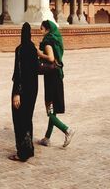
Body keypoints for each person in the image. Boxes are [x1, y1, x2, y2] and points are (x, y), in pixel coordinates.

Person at [36, 20, 76, 148]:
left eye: (41, 28)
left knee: (50, 108)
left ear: (46, 29)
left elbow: (51, 58)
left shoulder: (48, 42)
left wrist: (39, 53)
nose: (40, 30)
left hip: (51, 78)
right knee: (53, 111)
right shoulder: (56, 40)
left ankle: (67, 130)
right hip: (56, 76)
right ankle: (47, 138)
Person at [10, 22, 39, 161]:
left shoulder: (20, 49)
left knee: (19, 120)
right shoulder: (33, 49)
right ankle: (29, 148)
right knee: (28, 119)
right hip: (33, 90)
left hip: (22, 90)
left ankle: (22, 153)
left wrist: (16, 93)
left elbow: (19, 72)